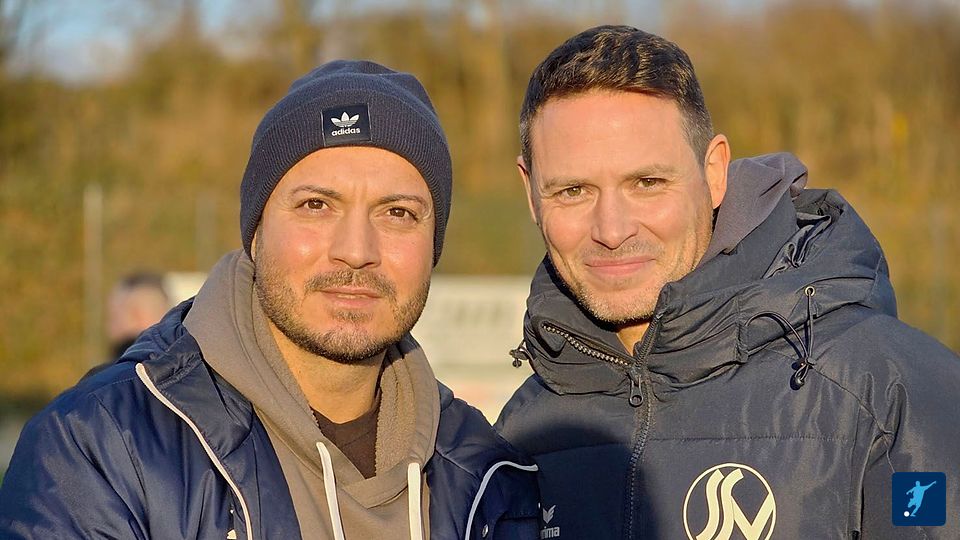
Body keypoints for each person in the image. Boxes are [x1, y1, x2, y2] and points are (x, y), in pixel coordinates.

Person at [0, 60, 538, 539]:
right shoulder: (102, 449)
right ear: (255, 233)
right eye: (316, 205)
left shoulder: (491, 479)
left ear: (433, 245)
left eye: (397, 213)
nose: (356, 251)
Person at [495, 25, 960, 539]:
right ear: (531, 193)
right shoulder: (519, 435)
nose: (612, 230)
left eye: (647, 183)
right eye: (573, 191)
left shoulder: (889, 391)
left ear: (714, 172)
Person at [106, 272, 173, 359]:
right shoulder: (186, 357)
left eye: (114, 318)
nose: (109, 329)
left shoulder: (124, 362)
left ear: (137, 315)